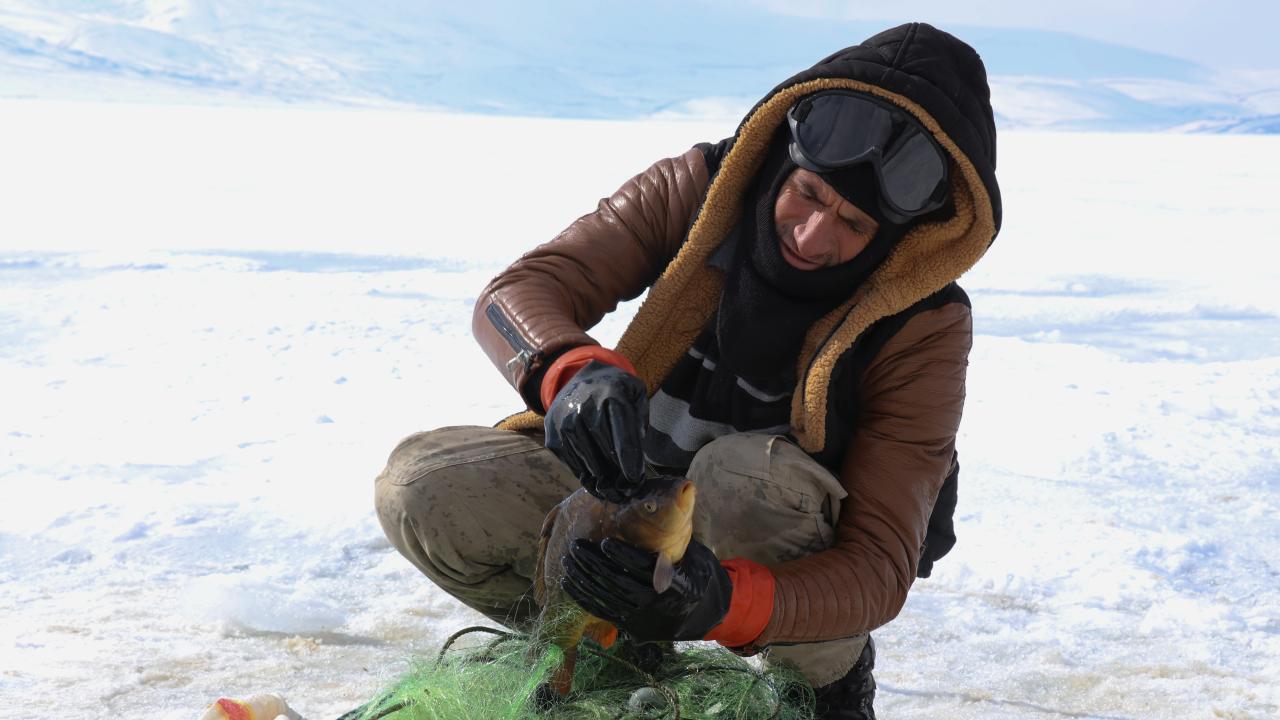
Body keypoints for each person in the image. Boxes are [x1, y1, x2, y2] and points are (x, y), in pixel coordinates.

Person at [374, 22, 1001, 719]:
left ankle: (825, 687)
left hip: (770, 537)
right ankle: (604, 646)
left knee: (742, 475)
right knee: (421, 487)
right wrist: (570, 372)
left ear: (900, 236)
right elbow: (519, 293)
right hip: (631, 505)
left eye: (855, 225)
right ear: (783, 156)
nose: (812, 236)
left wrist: (722, 602)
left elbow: (878, 567)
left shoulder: (924, 325)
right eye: (809, 194)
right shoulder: (703, 189)